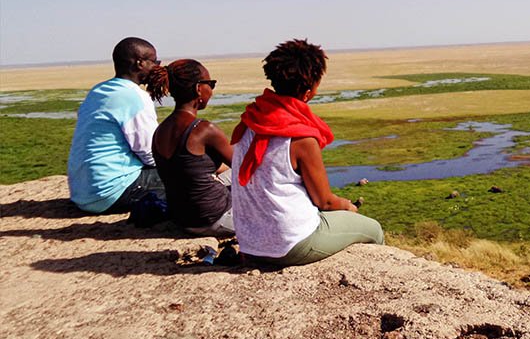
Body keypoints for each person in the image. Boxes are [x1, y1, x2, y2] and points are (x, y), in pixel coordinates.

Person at [230, 39, 383, 265]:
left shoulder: (250, 122)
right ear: (309, 90)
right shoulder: (300, 138)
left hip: (251, 246)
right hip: (291, 245)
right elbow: (325, 202)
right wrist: (348, 207)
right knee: (374, 230)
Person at [67, 37, 167, 213]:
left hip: (83, 194)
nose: (157, 68)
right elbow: (151, 153)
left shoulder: (99, 91)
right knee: (187, 175)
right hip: (111, 193)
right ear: (140, 63)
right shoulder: (134, 96)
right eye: (155, 62)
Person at [145, 59, 235, 237]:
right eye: (211, 84)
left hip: (182, 220)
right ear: (198, 88)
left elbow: (191, 168)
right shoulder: (204, 129)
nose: (212, 90)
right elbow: (245, 166)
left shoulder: (160, 131)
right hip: (217, 218)